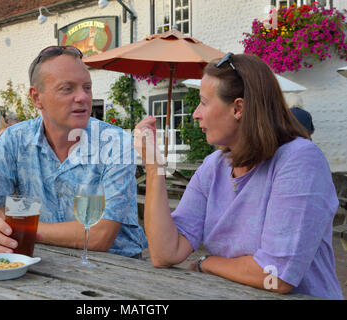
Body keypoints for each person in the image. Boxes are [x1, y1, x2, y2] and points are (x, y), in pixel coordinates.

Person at [134, 53, 342, 299]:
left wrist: (207, 263)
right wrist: (154, 168)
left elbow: (276, 276)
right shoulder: (214, 166)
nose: (195, 114)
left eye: (204, 102)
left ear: (238, 108)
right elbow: (164, 253)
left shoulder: (299, 160)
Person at [0, 45, 147, 258]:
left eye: (87, 87)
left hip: (117, 270)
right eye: (67, 88)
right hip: (45, 263)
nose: (83, 97)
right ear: (37, 98)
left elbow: (99, 235)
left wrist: (23, 227)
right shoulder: (15, 140)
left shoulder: (115, 143)